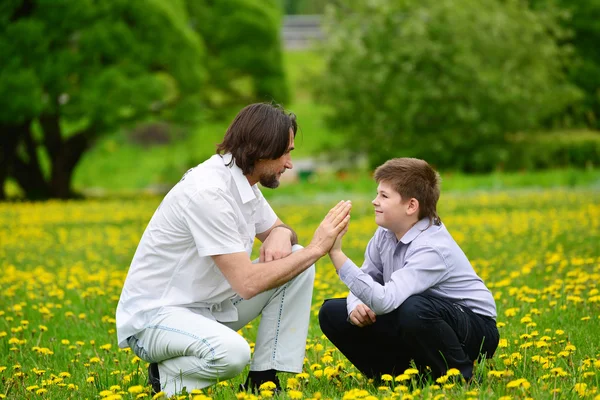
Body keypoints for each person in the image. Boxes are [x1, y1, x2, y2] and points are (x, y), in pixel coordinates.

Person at [116, 103, 351, 396]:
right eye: (286, 152)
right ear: (261, 150)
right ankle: (165, 376)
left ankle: (263, 379)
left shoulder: (242, 180)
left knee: (297, 259)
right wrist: (317, 248)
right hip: (156, 319)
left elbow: (282, 231)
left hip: (206, 308)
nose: (290, 163)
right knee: (232, 354)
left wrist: (280, 233)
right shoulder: (209, 191)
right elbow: (247, 283)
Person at [318, 158, 499, 383]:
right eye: (377, 194)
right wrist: (356, 305)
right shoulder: (385, 234)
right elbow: (366, 278)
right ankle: (398, 378)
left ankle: (461, 378)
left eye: (384, 196)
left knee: (414, 308)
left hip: (475, 328)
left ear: (411, 206)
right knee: (332, 313)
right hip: (420, 319)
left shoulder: (431, 247)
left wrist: (336, 253)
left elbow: (385, 301)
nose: (374, 201)